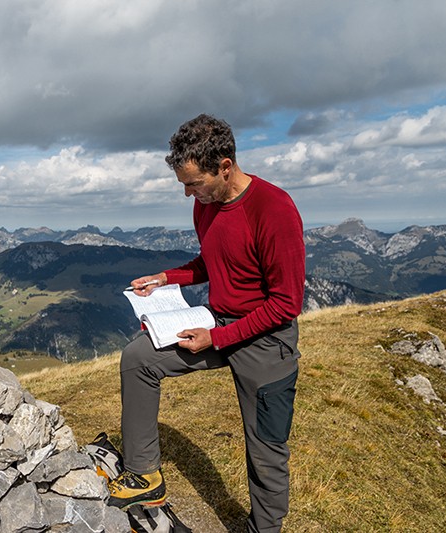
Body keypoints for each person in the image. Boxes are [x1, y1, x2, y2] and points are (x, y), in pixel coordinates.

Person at [107, 114, 305, 532]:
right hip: (216, 322)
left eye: (194, 183)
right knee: (139, 358)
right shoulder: (206, 205)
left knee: (266, 449)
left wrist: (218, 337)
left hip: (267, 340)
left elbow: (286, 303)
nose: (187, 193)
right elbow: (211, 261)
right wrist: (165, 278)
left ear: (225, 166)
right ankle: (145, 476)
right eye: (183, 183)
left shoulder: (274, 208)